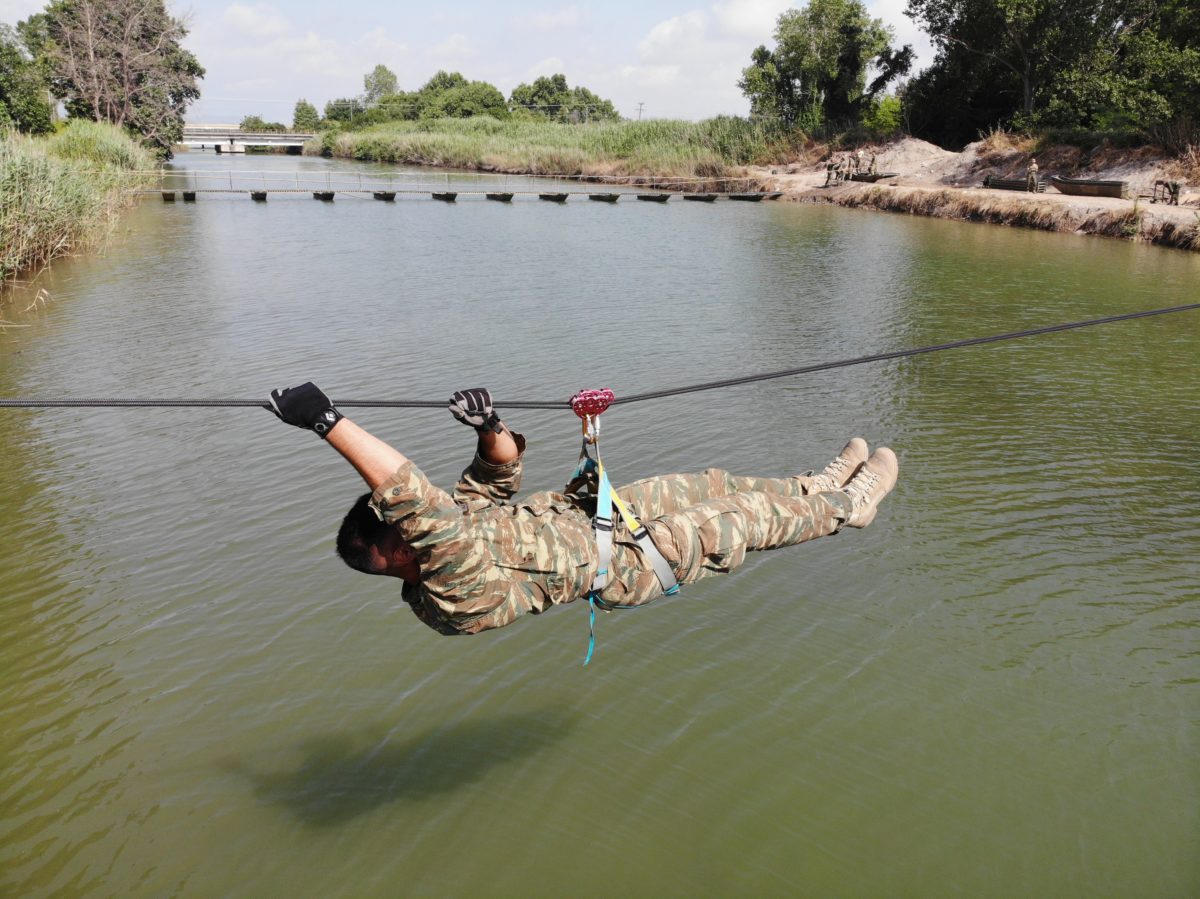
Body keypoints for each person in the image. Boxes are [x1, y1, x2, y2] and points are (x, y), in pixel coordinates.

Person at [268, 383, 899, 637]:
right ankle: (850, 506)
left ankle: (814, 487)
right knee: (745, 517)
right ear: (397, 554)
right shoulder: (449, 599)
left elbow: (498, 471)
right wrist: (327, 422)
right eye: (399, 527)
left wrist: (490, 425)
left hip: (602, 512)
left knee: (716, 483)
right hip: (632, 563)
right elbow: (416, 500)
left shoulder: (451, 528)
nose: (407, 519)